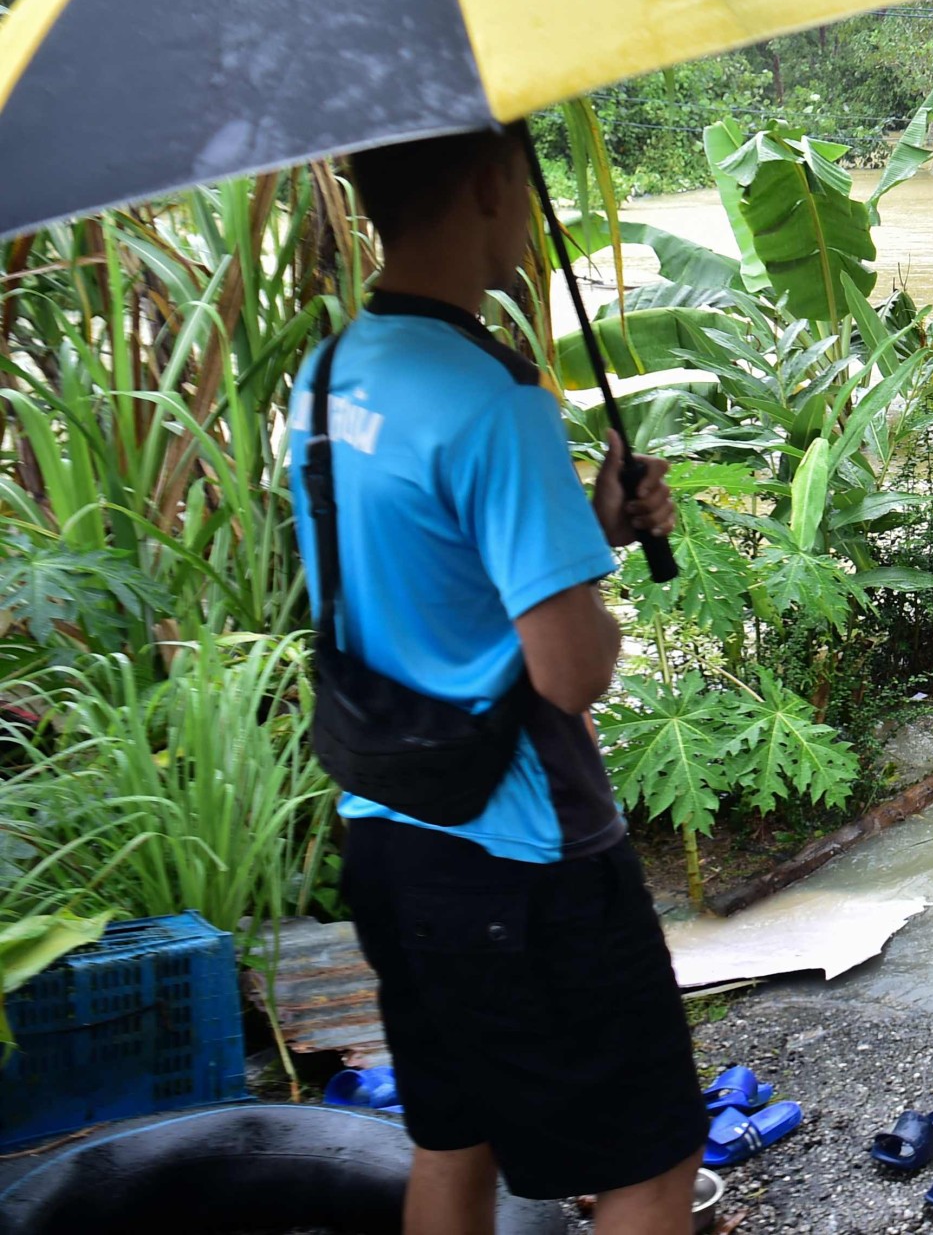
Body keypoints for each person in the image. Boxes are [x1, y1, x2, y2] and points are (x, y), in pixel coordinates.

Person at [290, 128, 704, 1235]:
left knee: (450, 1138)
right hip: (519, 853)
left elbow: (424, 585)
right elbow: (570, 671)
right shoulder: (495, 398)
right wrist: (596, 599)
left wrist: (588, 527)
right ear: (488, 181)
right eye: (523, 177)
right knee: (651, 1159)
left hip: (385, 827)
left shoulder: (327, 376)